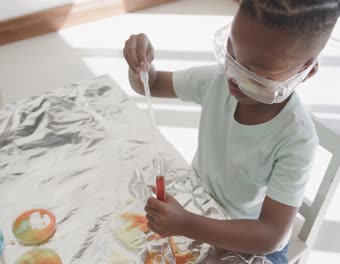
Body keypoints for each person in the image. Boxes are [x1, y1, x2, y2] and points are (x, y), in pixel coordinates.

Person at [123, 1, 340, 263]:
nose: (234, 75)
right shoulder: (216, 81)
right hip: (198, 207)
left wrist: (187, 224)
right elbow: (152, 84)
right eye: (231, 52)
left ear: (307, 71)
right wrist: (141, 66)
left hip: (250, 241)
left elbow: (271, 235)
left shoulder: (297, 139)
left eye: (254, 72)